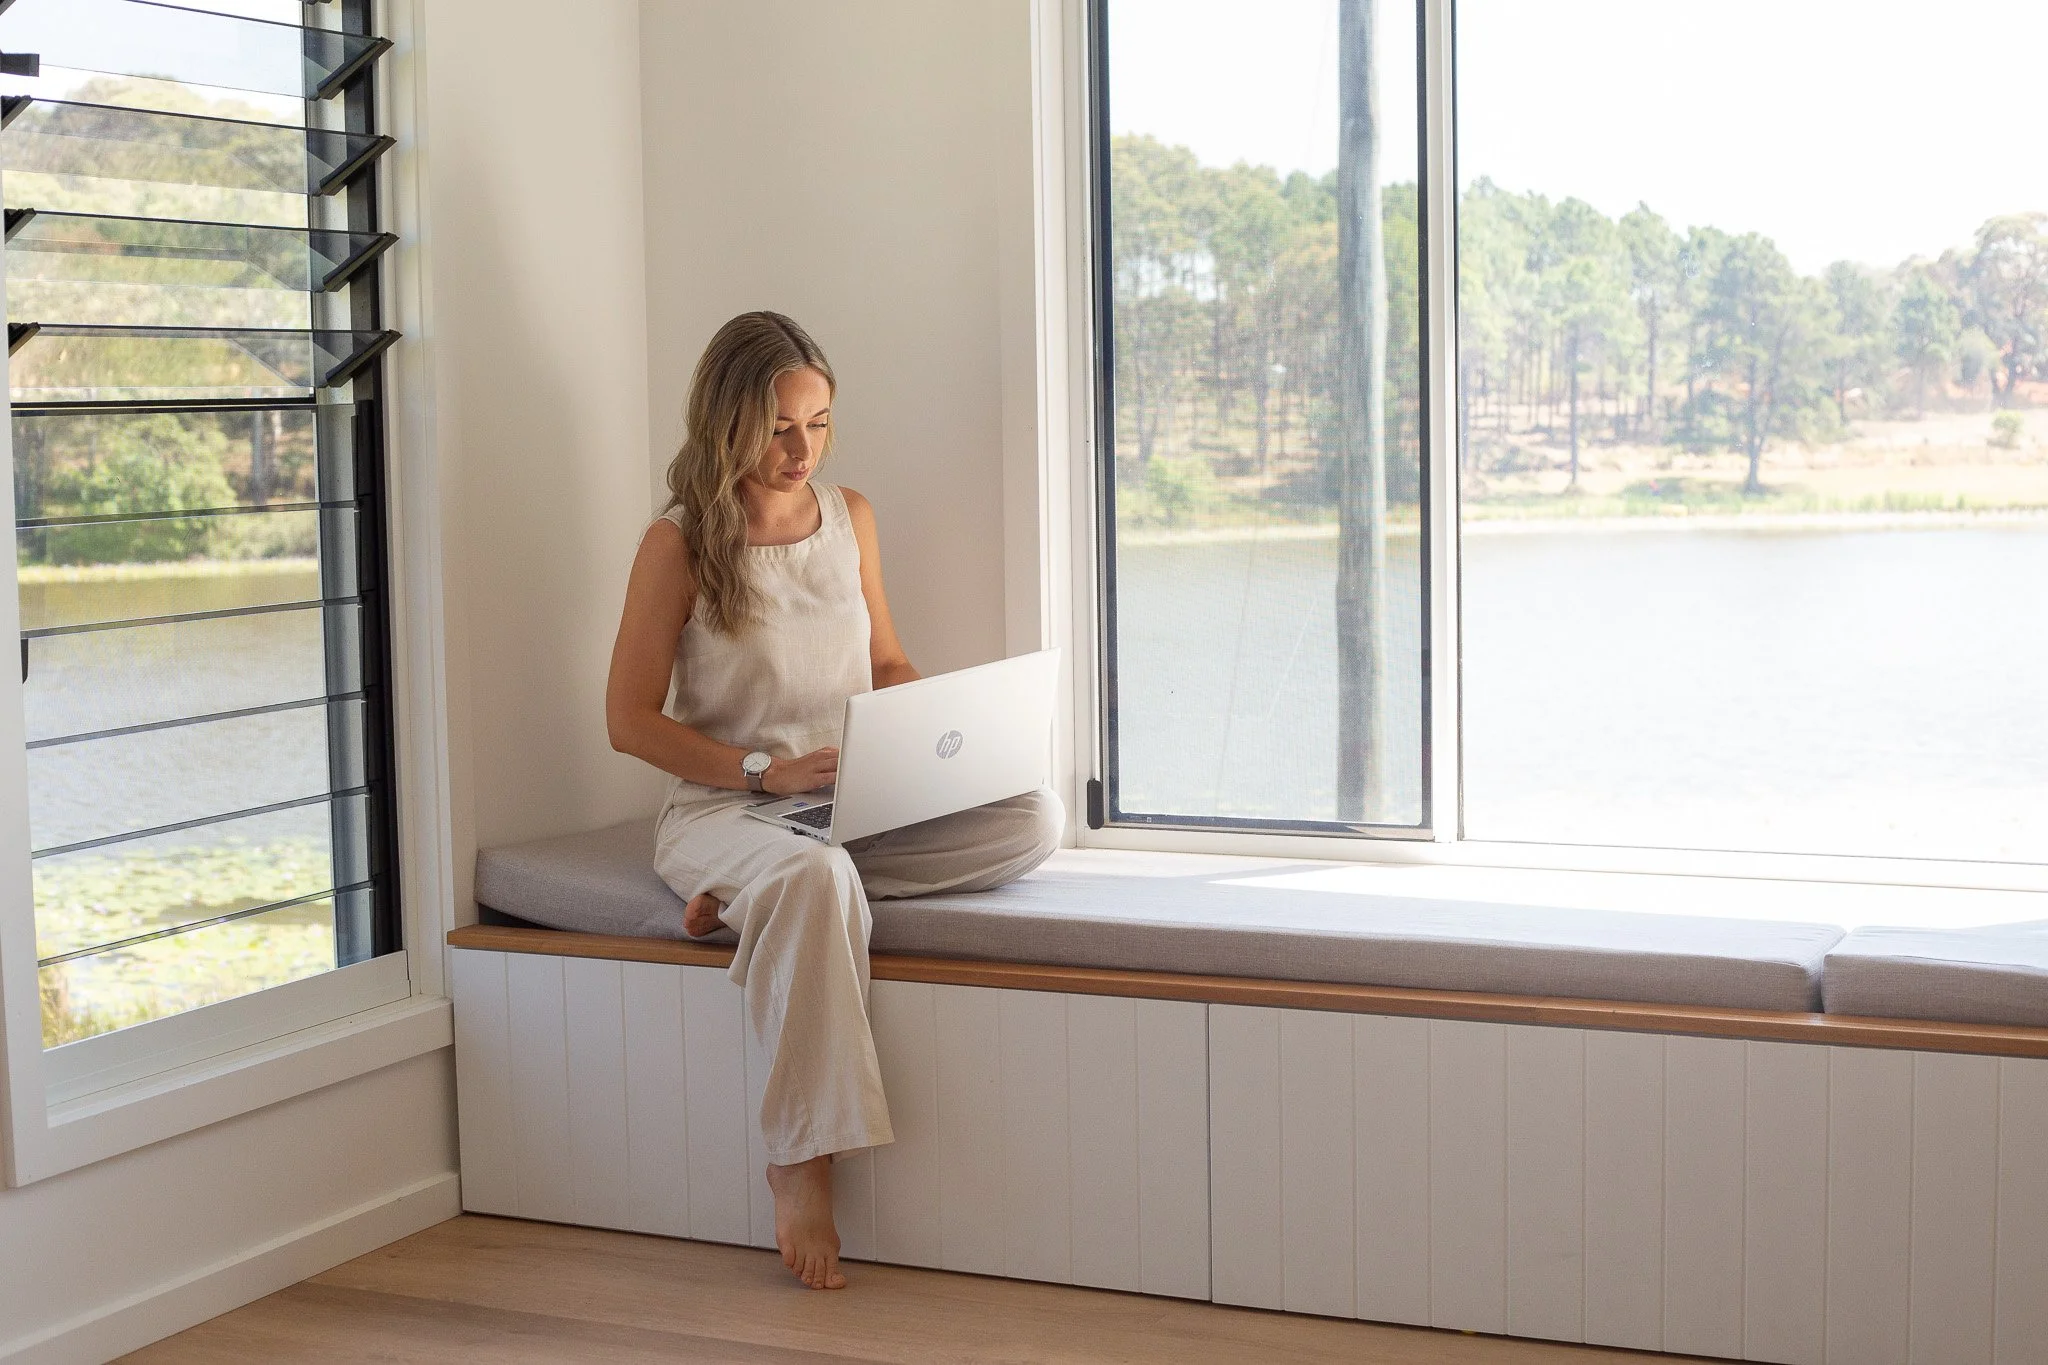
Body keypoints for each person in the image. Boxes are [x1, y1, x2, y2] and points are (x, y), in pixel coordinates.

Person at [605, 311, 1062, 1291]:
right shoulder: (676, 545)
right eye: (778, 427)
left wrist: (939, 742)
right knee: (814, 878)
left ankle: (744, 903)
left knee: (1033, 818)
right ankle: (799, 1160)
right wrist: (762, 774)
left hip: (846, 802)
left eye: (816, 425)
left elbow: (887, 661)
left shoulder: (848, 515)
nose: (799, 449)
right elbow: (628, 722)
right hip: (730, 808)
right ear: (726, 420)